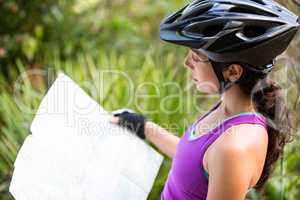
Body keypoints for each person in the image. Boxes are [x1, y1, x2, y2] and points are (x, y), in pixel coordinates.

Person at [110, 0, 300, 199]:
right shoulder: (227, 110)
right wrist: (144, 127)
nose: (187, 62)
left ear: (233, 72)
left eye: (196, 56)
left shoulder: (233, 149)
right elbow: (192, 160)